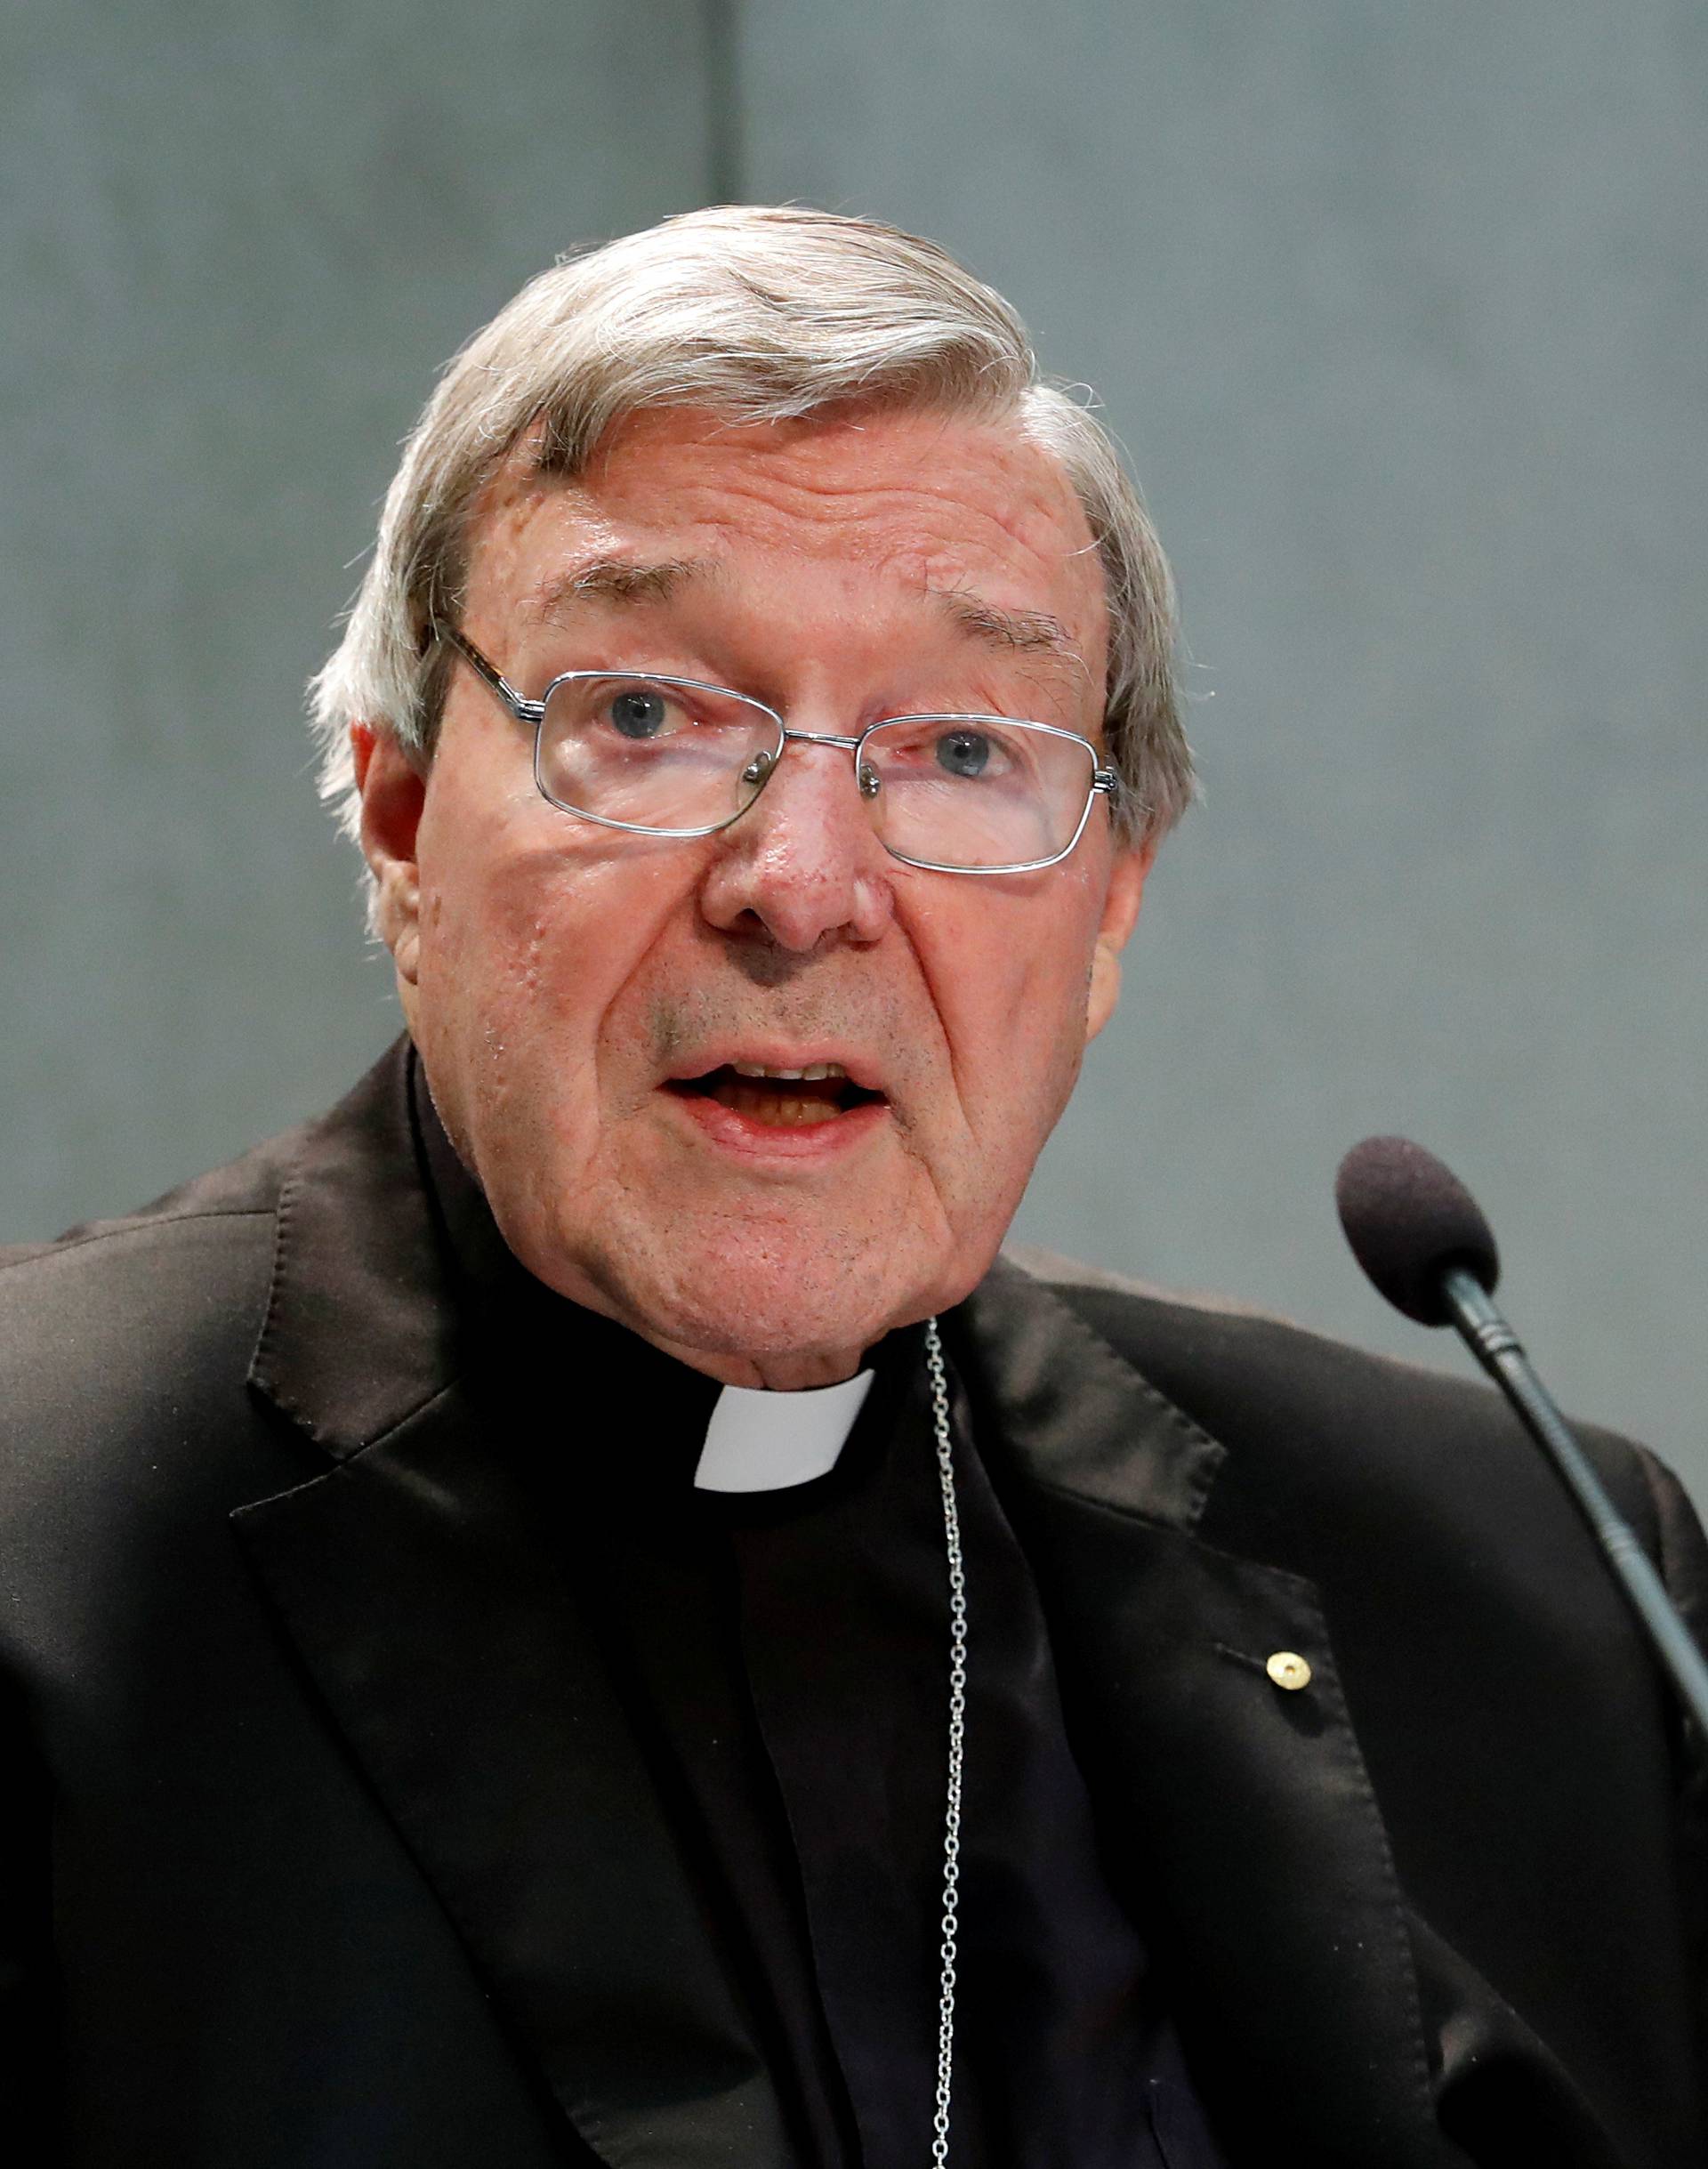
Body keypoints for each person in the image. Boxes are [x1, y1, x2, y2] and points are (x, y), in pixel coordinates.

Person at [1, 206, 1703, 2169]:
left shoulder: (1539, 1602)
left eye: (963, 747)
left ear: (1110, 907)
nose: (802, 883)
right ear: (397, 811)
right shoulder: (44, 1557)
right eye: (645, 717)